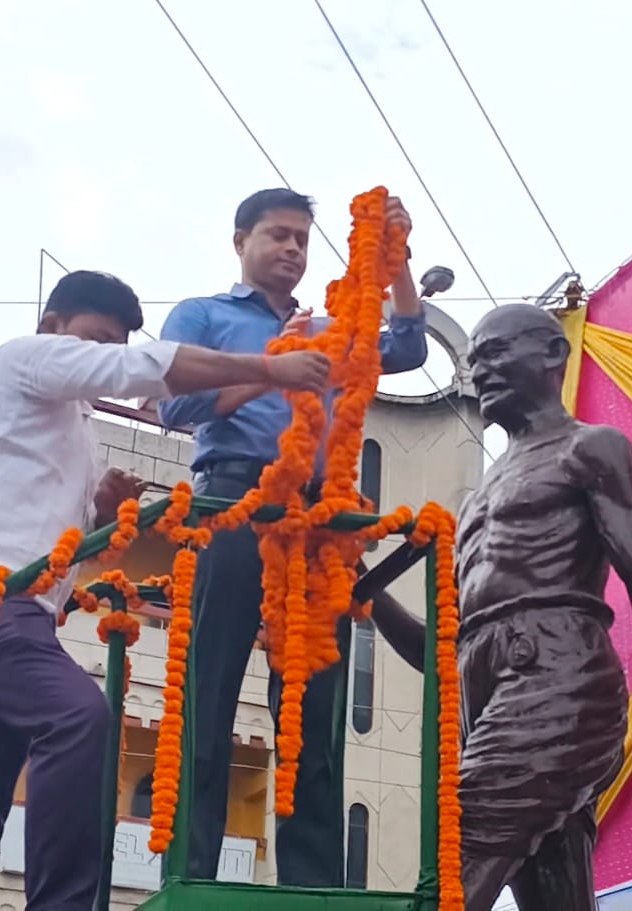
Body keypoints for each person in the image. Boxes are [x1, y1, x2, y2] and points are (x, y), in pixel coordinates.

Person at [0, 270, 331, 911]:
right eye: (96, 342)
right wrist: (272, 370)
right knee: (78, 717)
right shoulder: (19, 360)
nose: (103, 360)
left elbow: (65, 532)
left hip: (13, 615)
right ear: (53, 329)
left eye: (114, 345)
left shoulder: (77, 435)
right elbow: (150, 369)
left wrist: (100, 507)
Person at [362, 304, 632, 910]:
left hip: (557, 669)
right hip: (483, 682)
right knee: (553, 889)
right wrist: (360, 584)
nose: (482, 372)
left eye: (495, 353)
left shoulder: (589, 450)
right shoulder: (475, 502)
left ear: (552, 355)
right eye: (475, 363)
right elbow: (440, 650)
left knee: (462, 844)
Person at [157, 187, 430, 886]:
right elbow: (177, 403)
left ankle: (313, 882)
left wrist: (395, 260)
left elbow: (404, 342)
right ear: (240, 240)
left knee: (312, 706)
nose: (292, 250)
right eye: (278, 235)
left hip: (317, 521)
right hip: (235, 499)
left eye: (303, 240)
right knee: (210, 692)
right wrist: (273, 367)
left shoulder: (330, 325)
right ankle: (192, 872)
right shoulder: (206, 314)